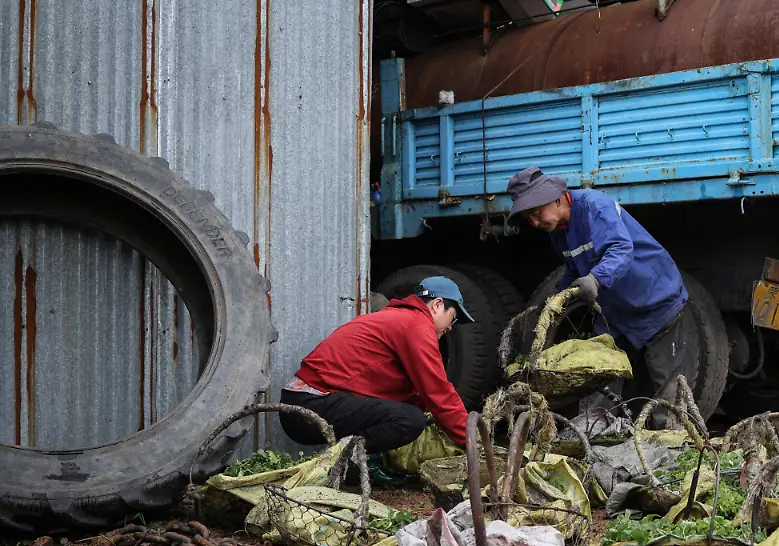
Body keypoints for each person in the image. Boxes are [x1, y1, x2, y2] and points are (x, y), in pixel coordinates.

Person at [506, 167, 697, 422]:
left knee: (669, 391)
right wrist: (554, 300)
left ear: (557, 198)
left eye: (535, 213)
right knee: (598, 374)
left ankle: (670, 445)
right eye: (529, 218)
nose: (534, 223)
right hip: (614, 312)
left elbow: (620, 249)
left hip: (654, 301)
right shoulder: (559, 233)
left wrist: (595, 280)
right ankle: (593, 433)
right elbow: (574, 269)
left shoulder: (594, 206)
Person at [277, 276, 475, 453]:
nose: (450, 327)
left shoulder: (399, 319)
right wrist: (473, 442)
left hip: (303, 401)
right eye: (453, 317)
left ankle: (356, 463)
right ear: (438, 305)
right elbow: (439, 392)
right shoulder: (416, 325)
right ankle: (343, 464)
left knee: (408, 410)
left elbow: (422, 395)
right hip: (307, 406)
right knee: (409, 420)